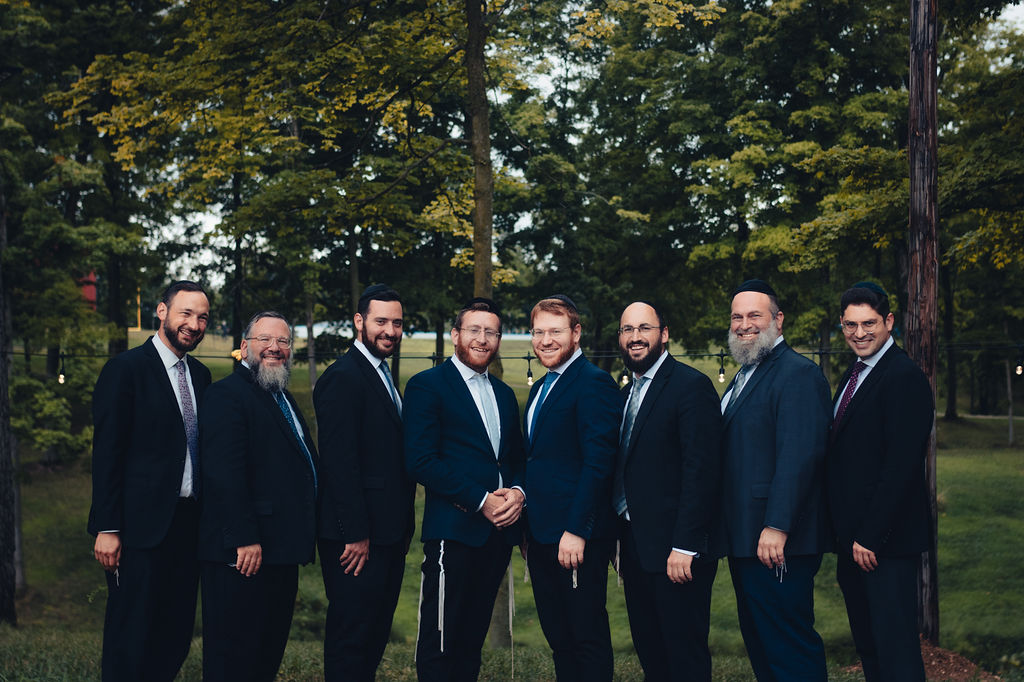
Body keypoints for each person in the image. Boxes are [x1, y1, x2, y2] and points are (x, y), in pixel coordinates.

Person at [88, 280, 211, 682]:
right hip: (138, 529)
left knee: (174, 635)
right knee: (131, 635)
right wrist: (108, 527)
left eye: (202, 317)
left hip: (188, 526)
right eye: (186, 313)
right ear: (162, 311)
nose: (194, 324)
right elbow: (107, 453)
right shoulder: (125, 370)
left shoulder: (201, 375)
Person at [404, 297, 526, 681]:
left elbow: (513, 459)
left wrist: (517, 492)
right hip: (452, 535)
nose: (482, 339)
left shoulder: (504, 394)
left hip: (496, 538)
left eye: (491, 332)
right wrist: (480, 500)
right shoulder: (427, 386)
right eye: (474, 330)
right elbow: (420, 460)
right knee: (441, 639)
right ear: (456, 334)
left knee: (471, 643)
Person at [717, 279, 831, 681]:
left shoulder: (798, 374)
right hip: (746, 537)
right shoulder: (746, 374)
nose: (744, 325)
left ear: (778, 320)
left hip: (778, 541)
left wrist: (778, 525)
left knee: (789, 648)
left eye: (754, 315)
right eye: (737, 317)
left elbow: (800, 457)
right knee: (762, 643)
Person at [198, 311, 318, 682]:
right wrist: (244, 537)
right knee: (233, 659)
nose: (274, 348)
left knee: (264, 656)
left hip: (278, 552)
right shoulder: (226, 395)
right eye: (264, 339)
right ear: (245, 346)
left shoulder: (280, 395)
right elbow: (223, 473)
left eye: (283, 341)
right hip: (244, 555)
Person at [612, 301, 723, 682]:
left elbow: (702, 472)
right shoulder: (627, 393)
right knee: (652, 653)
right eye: (628, 329)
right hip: (637, 546)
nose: (635, 337)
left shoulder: (691, 387)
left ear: (664, 334)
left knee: (684, 657)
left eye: (644, 328)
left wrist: (686, 545)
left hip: (678, 551)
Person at [827, 282, 933, 681]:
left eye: (868, 323)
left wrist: (871, 536)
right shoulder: (855, 373)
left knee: (896, 651)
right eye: (850, 325)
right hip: (853, 543)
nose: (859, 333)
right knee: (870, 647)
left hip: (885, 545)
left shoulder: (904, 376)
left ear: (888, 321)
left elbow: (901, 467)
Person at [314, 284, 415, 681]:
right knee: (351, 638)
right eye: (381, 321)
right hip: (356, 540)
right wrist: (355, 534)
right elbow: (339, 464)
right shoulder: (343, 377)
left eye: (397, 323)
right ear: (359, 321)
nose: (390, 331)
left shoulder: (381, 373)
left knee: (372, 635)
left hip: (387, 533)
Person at [522, 295, 622, 682]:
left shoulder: (594, 383)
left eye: (555, 331)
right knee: (560, 638)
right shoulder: (540, 388)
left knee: (586, 636)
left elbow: (599, 464)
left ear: (576, 333)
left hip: (576, 538)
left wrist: (577, 529)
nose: (545, 340)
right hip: (541, 536)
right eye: (538, 332)